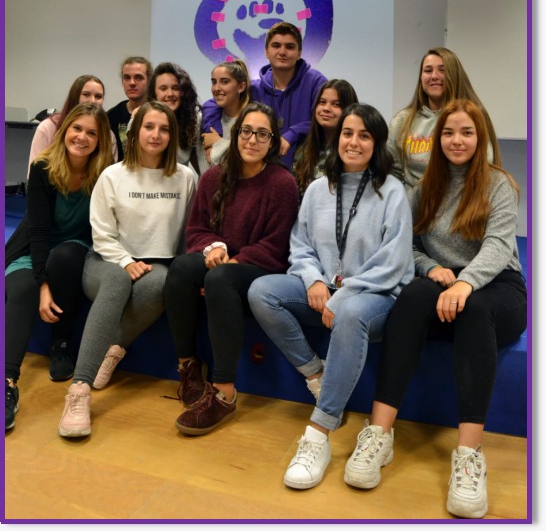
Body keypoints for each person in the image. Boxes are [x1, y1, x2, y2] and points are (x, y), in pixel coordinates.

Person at [356, 100, 526, 519]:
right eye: (448, 133)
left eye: (466, 132)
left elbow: (498, 246)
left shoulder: (499, 184)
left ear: (480, 138)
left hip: (497, 286)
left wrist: (467, 282)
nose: (456, 140)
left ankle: (469, 455)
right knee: (412, 298)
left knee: (475, 308)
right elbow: (407, 246)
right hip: (444, 283)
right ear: (437, 139)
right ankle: (379, 433)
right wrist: (431, 268)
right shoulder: (424, 188)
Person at [248, 103, 414, 490]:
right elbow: (300, 245)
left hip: (374, 296)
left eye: (364, 136)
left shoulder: (391, 192)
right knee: (262, 291)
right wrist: (312, 280)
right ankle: (316, 374)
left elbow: (393, 263)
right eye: (347, 133)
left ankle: (319, 433)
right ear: (337, 139)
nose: (353, 142)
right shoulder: (317, 188)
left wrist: (344, 294)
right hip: (325, 291)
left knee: (350, 314)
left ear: (377, 143)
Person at [57, 101, 196, 437]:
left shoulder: (186, 177)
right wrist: (125, 261)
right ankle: (79, 391)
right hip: (106, 261)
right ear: (135, 132)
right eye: (149, 126)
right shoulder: (112, 175)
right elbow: (101, 234)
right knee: (119, 281)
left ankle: (115, 348)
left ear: (172, 135)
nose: (156, 134)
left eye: (164, 129)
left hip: (157, 265)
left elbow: (191, 231)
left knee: (163, 282)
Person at [163, 102, 299, 436]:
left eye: (262, 134)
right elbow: (196, 229)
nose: (252, 140)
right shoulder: (214, 177)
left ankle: (224, 393)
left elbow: (277, 245)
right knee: (181, 269)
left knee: (220, 278)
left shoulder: (282, 183)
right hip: (221, 260)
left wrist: (235, 261)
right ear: (236, 134)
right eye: (246, 131)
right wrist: (213, 248)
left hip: (261, 267)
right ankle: (188, 366)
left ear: (272, 141)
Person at [5, 103, 113, 431]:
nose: (82, 137)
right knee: (22, 288)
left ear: (100, 140)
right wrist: (41, 284)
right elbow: (38, 231)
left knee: (65, 257)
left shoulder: (106, 173)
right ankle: (7, 383)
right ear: (65, 130)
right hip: (34, 249)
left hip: (74, 249)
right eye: (76, 128)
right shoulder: (43, 167)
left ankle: (61, 343)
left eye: (91, 132)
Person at [387, 47, 501, 193]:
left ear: (454, 75)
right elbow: (392, 171)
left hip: (459, 201)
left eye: (443, 70)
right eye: (428, 70)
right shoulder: (402, 121)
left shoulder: (473, 117)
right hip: (413, 202)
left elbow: (485, 169)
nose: (434, 76)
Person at [250, 22, 327, 168]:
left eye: (290, 47)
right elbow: (219, 100)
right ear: (266, 52)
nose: (282, 52)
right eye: (276, 46)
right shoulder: (253, 89)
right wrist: (216, 136)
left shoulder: (316, 82)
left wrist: (294, 133)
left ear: (299, 53)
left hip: (307, 171)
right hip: (263, 172)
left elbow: (329, 121)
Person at [28, 74, 117, 173]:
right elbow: (34, 172)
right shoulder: (47, 127)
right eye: (86, 94)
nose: (92, 101)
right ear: (75, 96)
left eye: (98, 96)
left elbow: (110, 175)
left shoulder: (108, 135)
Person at [293, 79, 358, 197]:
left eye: (336, 104)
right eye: (322, 102)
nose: (326, 108)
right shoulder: (304, 150)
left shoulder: (353, 151)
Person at [147, 61, 202, 176]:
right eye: (163, 88)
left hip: (178, 184)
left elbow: (202, 169)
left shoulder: (193, 121)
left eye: (175, 88)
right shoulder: (140, 119)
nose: (170, 94)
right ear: (154, 93)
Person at [201, 58, 250, 168]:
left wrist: (219, 143)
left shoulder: (252, 123)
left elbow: (250, 164)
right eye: (214, 82)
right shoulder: (205, 119)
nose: (216, 88)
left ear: (241, 87)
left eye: (225, 82)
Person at [107, 56, 153, 161]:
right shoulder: (111, 116)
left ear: (150, 80)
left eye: (138, 77)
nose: (132, 83)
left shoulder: (159, 114)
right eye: (127, 78)